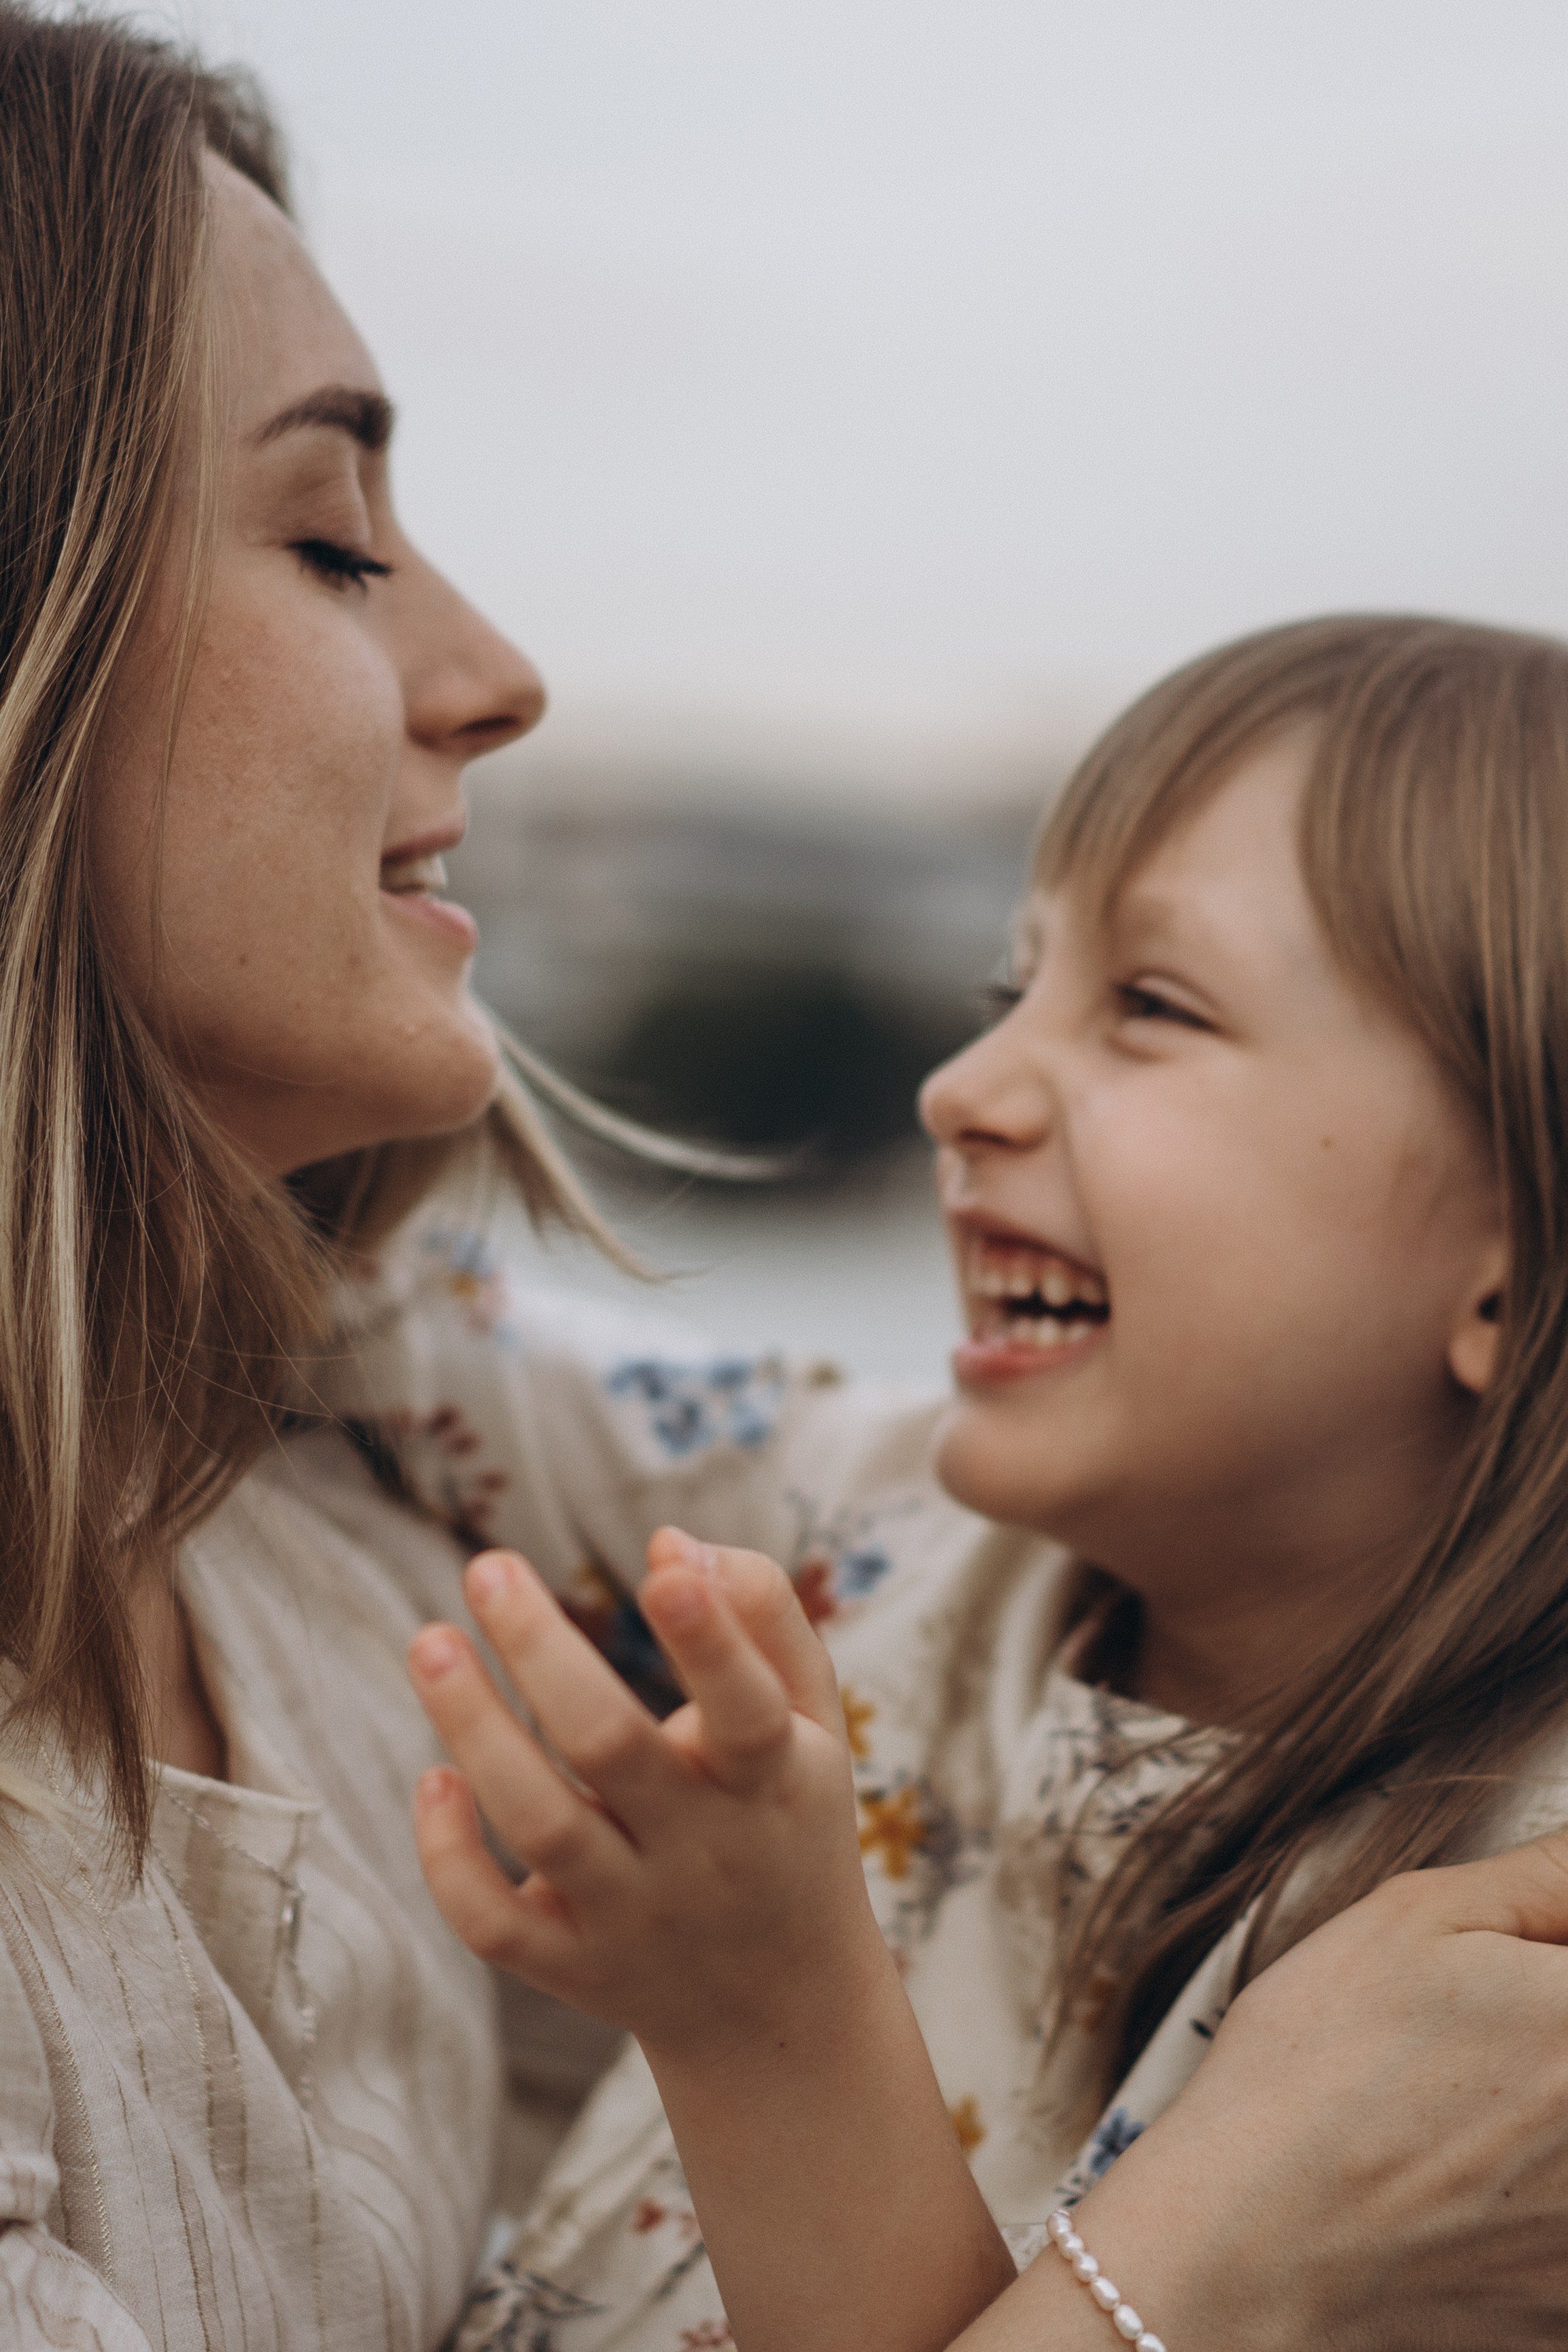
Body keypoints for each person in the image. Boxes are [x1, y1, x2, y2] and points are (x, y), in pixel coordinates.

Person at [0, 6, 1566, 2348]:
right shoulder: (858, 1585)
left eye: (1146, 1008)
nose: (959, 1092)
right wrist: (1209, 2265)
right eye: (332, 540)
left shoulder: (444, 1482)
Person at [391, 612, 1568, 2352]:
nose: (958, 1090)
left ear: (1514, 1243)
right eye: (1007, 994)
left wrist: (765, 2013)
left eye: (1148, 1005)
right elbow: (392, 1336)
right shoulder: (880, 1526)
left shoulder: (1506, 1983)